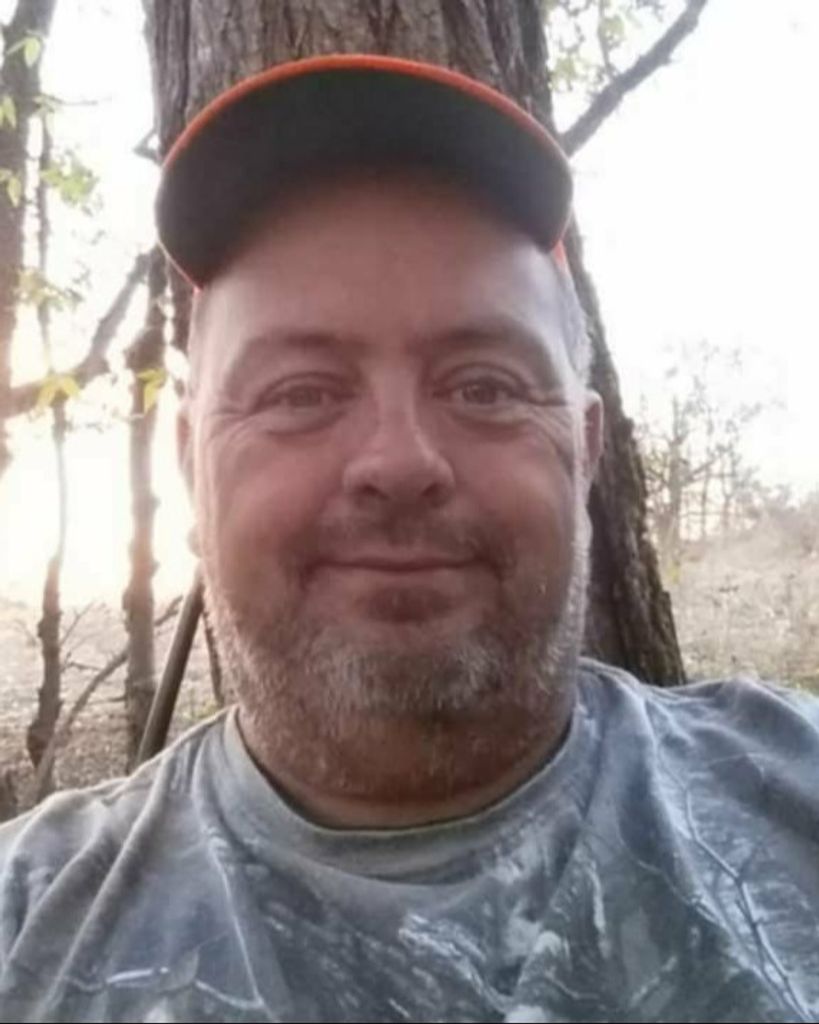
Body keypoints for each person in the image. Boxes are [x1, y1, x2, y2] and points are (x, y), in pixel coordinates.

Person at [1, 55, 818, 1024]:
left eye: (484, 386)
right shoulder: (26, 924)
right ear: (192, 462)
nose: (397, 461)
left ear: (584, 452)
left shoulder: (793, 793)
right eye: (301, 393)